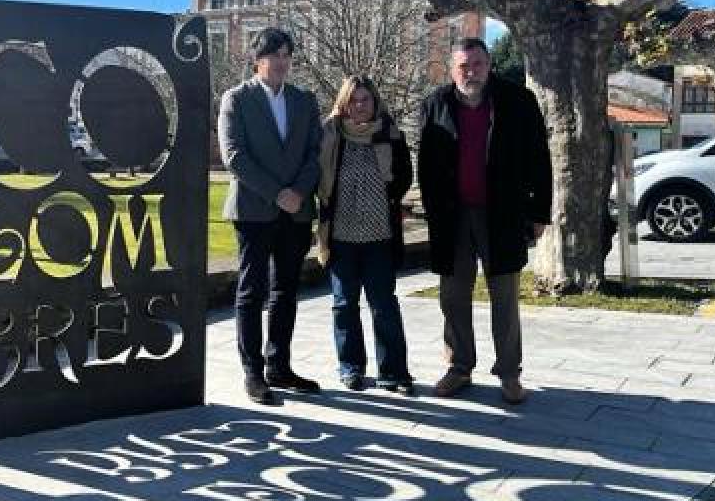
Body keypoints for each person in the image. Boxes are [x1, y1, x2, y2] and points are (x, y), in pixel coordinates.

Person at [418, 37, 551, 404]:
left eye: (477, 64)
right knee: (453, 296)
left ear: (488, 65)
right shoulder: (435, 104)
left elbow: (539, 157)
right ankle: (459, 366)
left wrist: (539, 212)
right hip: (453, 217)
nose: (470, 72)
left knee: (504, 298)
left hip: (502, 216)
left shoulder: (517, 101)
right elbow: (426, 167)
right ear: (451, 70)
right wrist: (432, 214)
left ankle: (509, 373)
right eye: (463, 66)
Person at [218, 27, 323, 405]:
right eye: (274, 55)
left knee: (286, 291)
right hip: (254, 211)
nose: (281, 62)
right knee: (252, 290)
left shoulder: (304, 100)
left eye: (286, 55)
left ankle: (279, 365)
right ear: (257, 59)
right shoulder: (237, 99)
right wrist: (277, 193)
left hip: (295, 212)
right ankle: (253, 371)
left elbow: (316, 153)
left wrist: (297, 192)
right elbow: (234, 156)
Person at [317, 76, 414, 393]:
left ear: (375, 103)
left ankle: (393, 372)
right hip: (341, 236)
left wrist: (379, 200)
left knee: (383, 305)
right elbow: (318, 177)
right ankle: (351, 367)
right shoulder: (330, 134)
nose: (360, 105)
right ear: (344, 102)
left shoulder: (390, 134)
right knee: (344, 305)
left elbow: (403, 177)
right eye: (354, 100)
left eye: (366, 100)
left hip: (379, 236)